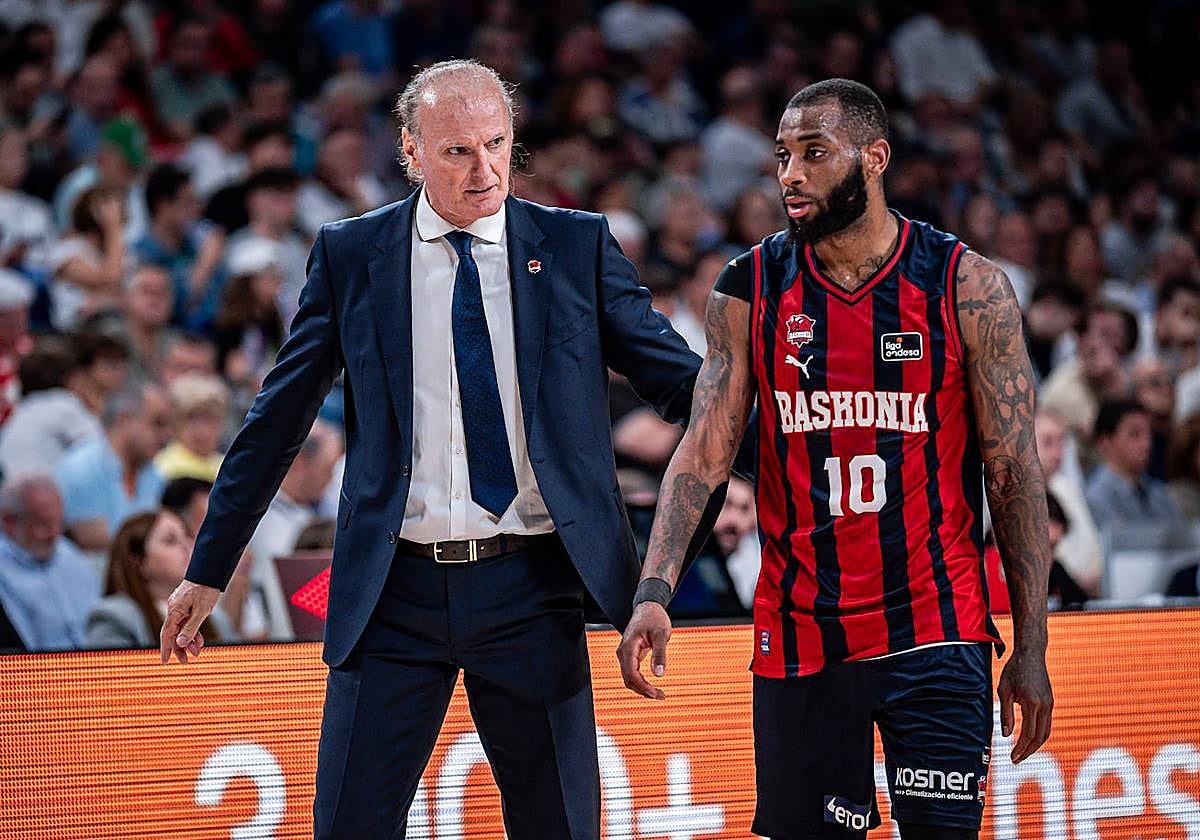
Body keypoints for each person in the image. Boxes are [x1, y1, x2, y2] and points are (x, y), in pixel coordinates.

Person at [160, 59, 702, 840]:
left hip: (532, 587)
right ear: (411, 152)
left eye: (497, 144)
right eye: (457, 151)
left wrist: (787, 456)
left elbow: (686, 389)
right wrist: (209, 567)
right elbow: (277, 420)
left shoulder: (575, 246)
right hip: (394, 592)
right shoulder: (353, 253)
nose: (485, 171)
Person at [618, 79, 1054, 840]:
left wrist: (1032, 644)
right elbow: (703, 453)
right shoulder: (748, 288)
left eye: (813, 153)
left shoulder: (967, 286)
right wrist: (654, 589)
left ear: (874, 158)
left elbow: (1013, 475)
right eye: (782, 156)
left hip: (936, 626)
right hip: (801, 634)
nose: (790, 174)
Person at [87, 508, 233, 648]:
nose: (188, 546)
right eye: (170, 541)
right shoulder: (115, 617)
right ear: (137, 560)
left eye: (188, 536)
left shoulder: (216, 618)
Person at [0, 473, 100, 650]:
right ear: (9, 523)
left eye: (59, 522)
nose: (55, 533)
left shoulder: (68, 553)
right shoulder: (4, 572)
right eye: (43, 524)